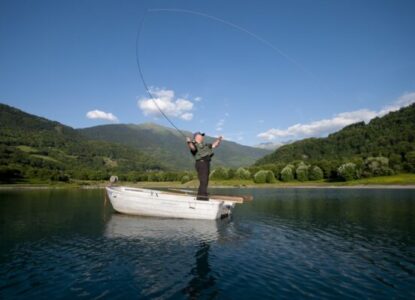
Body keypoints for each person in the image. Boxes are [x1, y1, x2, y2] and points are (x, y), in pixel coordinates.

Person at [186, 132, 222, 200]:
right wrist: (188, 142)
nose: (202, 136)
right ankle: (202, 197)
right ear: (197, 137)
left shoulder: (205, 145)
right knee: (204, 181)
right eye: (201, 135)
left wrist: (219, 139)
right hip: (201, 163)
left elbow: (214, 145)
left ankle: (201, 196)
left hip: (206, 163)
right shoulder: (193, 144)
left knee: (205, 181)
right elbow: (193, 148)